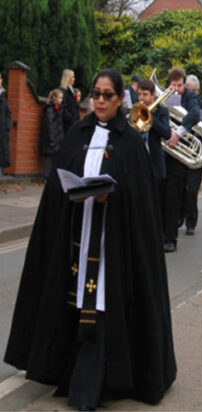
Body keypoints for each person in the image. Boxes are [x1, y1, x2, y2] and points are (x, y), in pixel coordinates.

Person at [3, 68, 176, 409]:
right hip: (76, 235)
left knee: (102, 303)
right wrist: (74, 194)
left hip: (112, 244)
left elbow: (141, 202)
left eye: (106, 95)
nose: (99, 101)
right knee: (73, 297)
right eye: (95, 94)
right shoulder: (77, 134)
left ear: (119, 99)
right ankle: (67, 365)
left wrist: (112, 197)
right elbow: (56, 190)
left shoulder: (129, 142)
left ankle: (103, 376)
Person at [162, 67, 201, 252]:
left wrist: (178, 133)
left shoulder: (190, 97)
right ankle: (161, 234)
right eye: (173, 85)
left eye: (179, 85)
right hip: (163, 152)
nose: (176, 89)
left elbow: (194, 114)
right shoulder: (163, 95)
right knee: (161, 197)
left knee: (173, 197)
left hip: (179, 154)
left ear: (184, 83)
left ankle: (171, 239)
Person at [136, 78, 171, 211]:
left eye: (145, 94)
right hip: (139, 163)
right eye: (139, 94)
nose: (141, 98)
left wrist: (150, 117)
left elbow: (167, 133)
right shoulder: (135, 110)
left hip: (155, 162)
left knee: (157, 203)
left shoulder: (162, 111)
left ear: (152, 95)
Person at [180, 74, 202, 236]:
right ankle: (179, 218)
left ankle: (191, 222)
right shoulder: (179, 102)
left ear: (196, 91)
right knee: (179, 189)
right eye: (187, 90)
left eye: (192, 91)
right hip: (182, 151)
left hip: (197, 152)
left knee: (192, 191)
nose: (189, 94)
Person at [40, 88, 65, 178]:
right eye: (60, 98)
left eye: (62, 98)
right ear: (54, 97)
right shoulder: (50, 109)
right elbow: (49, 125)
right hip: (51, 139)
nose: (61, 100)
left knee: (54, 160)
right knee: (49, 160)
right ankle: (47, 177)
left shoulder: (58, 109)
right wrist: (52, 140)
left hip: (57, 138)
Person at [60, 69, 80, 134]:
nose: (74, 79)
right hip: (67, 126)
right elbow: (63, 109)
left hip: (73, 125)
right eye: (72, 77)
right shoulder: (63, 92)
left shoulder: (72, 92)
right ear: (68, 78)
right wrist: (71, 119)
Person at [0, 71, 10, 169]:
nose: (1, 80)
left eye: (1, 78)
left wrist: (7, 128)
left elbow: (8, 113)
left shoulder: (3, 95)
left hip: (2, 133)